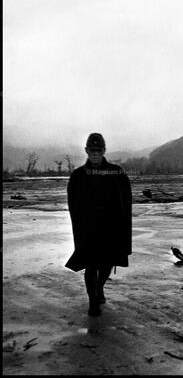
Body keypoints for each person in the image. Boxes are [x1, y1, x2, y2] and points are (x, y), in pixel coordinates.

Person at [65, 133, 132, 316]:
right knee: (91, 265)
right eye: (92, 150)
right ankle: (93, 301)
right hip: (88, 229)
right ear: (86, 150)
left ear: (104, 150)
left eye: (99, 150)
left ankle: (99, 287)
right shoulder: (78, 175)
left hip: (112, 228)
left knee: (107, 264)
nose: (95, 153)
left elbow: (126, 202)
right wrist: (79, 229)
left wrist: (124, 229)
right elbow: (73, 206)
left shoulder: (117, 173)